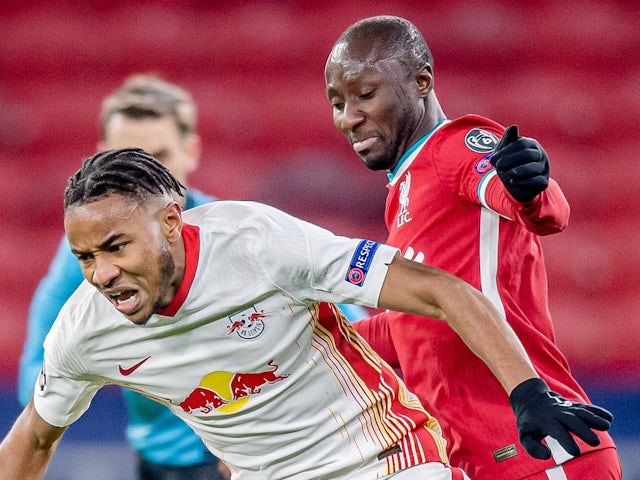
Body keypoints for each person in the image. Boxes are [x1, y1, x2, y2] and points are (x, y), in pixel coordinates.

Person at [0, 149, 612, 480]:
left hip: (384, 460)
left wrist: (528, 393)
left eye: (115, 248)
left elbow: (442, 291)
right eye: (84, 257)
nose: (101, 273)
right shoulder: (85, 332)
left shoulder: (257, 242)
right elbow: (34, 435)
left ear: (169, 222)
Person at [324, 15, 621, 480]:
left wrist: (529, 186)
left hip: (542, 450)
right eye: (337, 102)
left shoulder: (453, 147)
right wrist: (311, 341)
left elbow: (538, 207)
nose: (348, 117)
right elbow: (418, 327)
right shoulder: (403, 190)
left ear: (422, 81)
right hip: (480, 461)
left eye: (365, 95)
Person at [17, 74, 229, 480]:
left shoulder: (236, 233)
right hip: (159, 463)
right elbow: (39, 362)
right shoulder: (81, 259)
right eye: (127, 160)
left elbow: (343, 322)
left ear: (192, 151)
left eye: (160, 157)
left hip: (247, 459)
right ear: (101, 161)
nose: (143, 181)